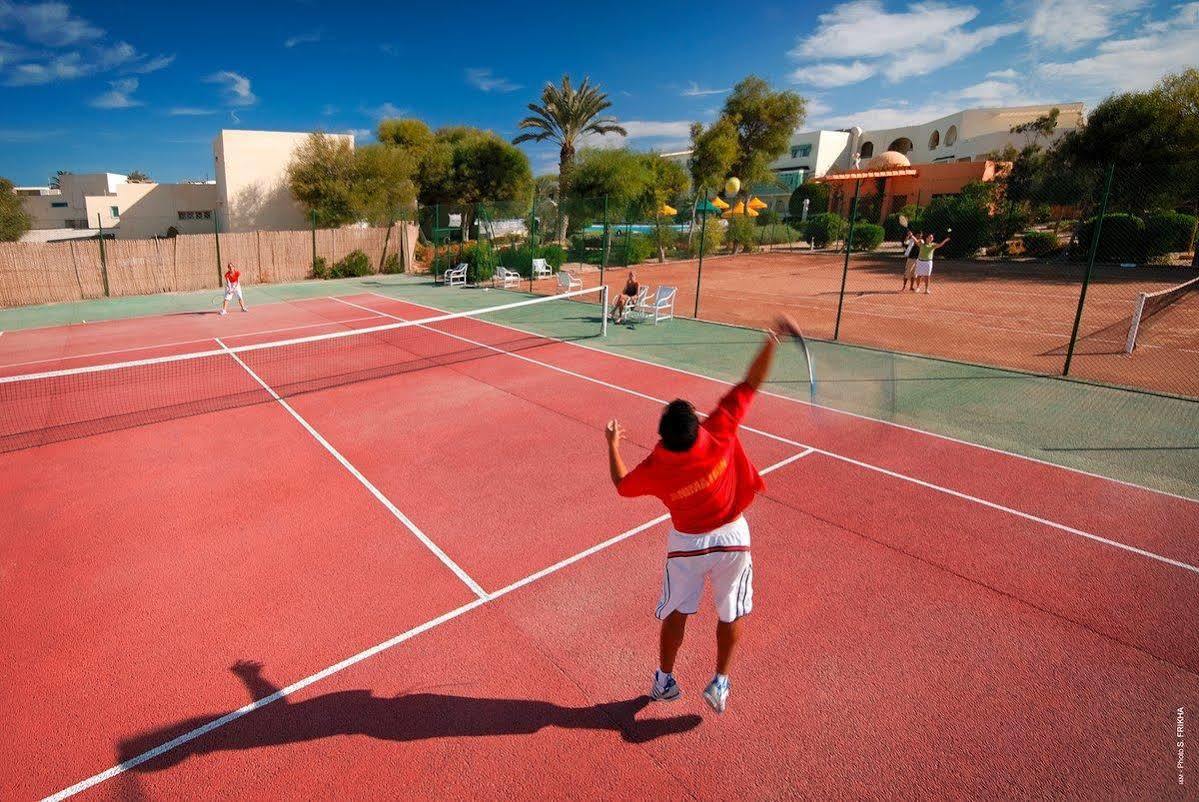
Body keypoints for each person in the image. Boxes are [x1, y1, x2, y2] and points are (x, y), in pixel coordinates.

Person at [604, 315, 798, 714]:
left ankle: (663, 680)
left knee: (677, 611)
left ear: (665, 436)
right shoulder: (721, 430)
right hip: (732, 538)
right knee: (732, 609)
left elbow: (622, 485)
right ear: (696, 425)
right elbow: (751, 382)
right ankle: (721, 682)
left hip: (687, 545)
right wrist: (772, 339)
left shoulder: (658, 466)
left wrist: (613, 445)